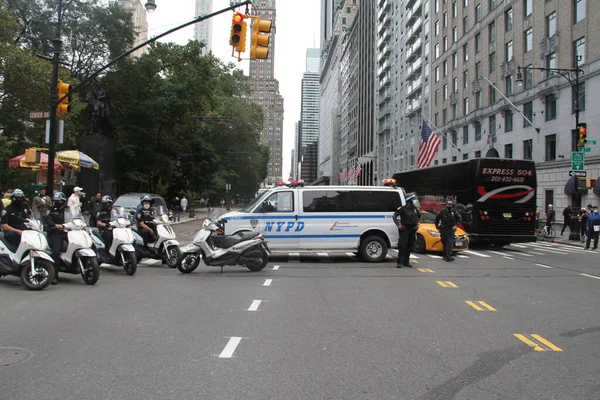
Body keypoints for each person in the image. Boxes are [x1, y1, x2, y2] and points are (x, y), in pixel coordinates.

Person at [392, 193, 421, 268]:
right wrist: (398, 225)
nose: (413, 201)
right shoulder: (403, 209)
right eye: (412, 200)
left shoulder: (415, 209)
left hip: (413, 230)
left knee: (410, 246)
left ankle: (406, 262)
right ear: (408, 200)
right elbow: (394, 216)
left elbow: (419, 216)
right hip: (405, 230)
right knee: (402, 246)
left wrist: (418, 224)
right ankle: (400, 262)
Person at [46, 192, 68, 284]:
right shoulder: (51, 210)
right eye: (56, 201)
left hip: (68, 232)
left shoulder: (68, 210)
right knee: (56, 252)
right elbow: (48, 220)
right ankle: (54, 275)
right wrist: (55, 225)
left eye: (60, 201)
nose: (58, 203)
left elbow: (76, 217)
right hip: (56, 233)